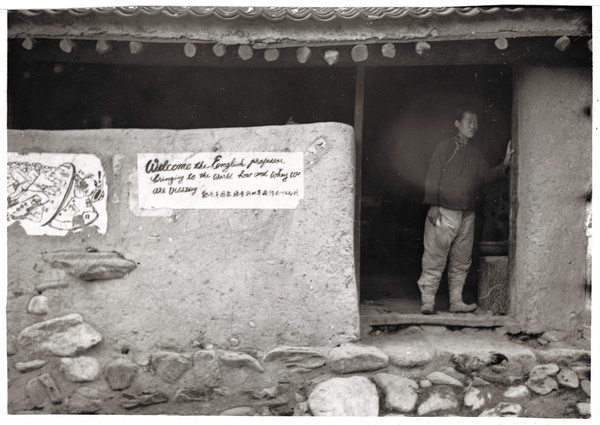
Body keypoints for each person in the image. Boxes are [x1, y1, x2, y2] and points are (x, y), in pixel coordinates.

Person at [417, 106, 514, 314]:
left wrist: (504, 164)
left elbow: (485, 177)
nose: (473, 126)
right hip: (443, 211)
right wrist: (433, 206)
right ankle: (427, 301)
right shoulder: (444, 147)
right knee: (435, 257)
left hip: (467, 214)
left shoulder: (475, 153)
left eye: (476, 122)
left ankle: (456, 301)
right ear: (457, 124)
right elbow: (433, 176)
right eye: (469, 121)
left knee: (461, 260)